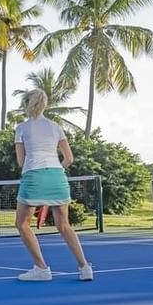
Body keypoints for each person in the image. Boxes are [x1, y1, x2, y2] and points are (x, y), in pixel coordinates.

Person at [13, 89, 93, 282]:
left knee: (22, 223)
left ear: (26, 104)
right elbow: (69, 159)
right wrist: (56, 169)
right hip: (57, 177)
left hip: (34, 176)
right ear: (45, 104)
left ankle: (41, 268)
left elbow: (21, 162)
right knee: (64, 225)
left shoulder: (21, 128)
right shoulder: (55, 126)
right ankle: (85, 268)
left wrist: (38, 172)